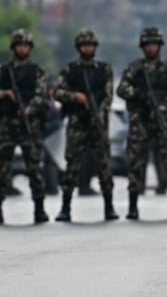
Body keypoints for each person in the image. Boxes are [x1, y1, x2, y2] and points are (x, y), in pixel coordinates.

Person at [116, 27, 167, 220]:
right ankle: (132, 206)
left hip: (163, 120)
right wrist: (139, 96)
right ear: (143, 47)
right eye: (148, 45)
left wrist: (160, 109)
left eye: (154, 44)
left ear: (159, 46)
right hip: (140, 120)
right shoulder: (135, 68)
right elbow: (121, 89)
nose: (151, 48)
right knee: (136, 163)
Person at [53, 28, 118, 222]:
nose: (87, 48)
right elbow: (57, 93)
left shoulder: (104, 69)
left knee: (104, 166)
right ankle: (65, 207)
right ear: (78, 47)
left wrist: (100, 112)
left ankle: (109, 206)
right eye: (84, 45)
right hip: (77, 122)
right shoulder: (70, 69)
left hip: (97, 122)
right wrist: (76, 97)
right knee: (72, 165)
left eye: (90, 45)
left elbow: (108, 95)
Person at [0, 29, 49, 224]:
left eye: (26, 45)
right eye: (19, 45)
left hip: (28, 125)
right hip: (6, 125)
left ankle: (39, 208)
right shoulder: (2, 71)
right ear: (14, 47)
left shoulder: (36, 71)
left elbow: (41, 95)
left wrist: (28, 109)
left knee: (34, 169)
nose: (22, 48)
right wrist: (5, 94)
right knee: (2, 169)